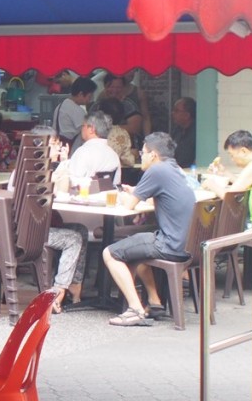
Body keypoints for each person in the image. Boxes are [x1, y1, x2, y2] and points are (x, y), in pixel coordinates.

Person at [103, 132, 195, 327]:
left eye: (143, 153)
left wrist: (121, 195)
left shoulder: (157, 170)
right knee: (136, 245)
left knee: (109, 253)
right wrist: (136, 192)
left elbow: (128, 206)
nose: (140, 157)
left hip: (169, 244)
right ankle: (154, 302)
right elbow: (164, 195)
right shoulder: (175, 169)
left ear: (153, 154)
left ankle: (135, 309)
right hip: (185, 243)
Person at [51, 112, 122, 194]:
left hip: (83, 200)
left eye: (83, 126)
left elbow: (71, 184)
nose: (81, 129)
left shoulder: (82, 152)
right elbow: (117, 184)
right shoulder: (113, 154)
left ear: (91, 129)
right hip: (108, 200)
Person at [52, 75, 97, 144]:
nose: (90, 99)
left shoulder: (61, 105)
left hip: (58, 143)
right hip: (72, 146)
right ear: (81, 94)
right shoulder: (77, 110)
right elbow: (88, 132)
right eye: (89, 96)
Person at [96, 97, 136, 167]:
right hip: (113, 172)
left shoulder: (92, 130)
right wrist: (134, 155)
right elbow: (128, 160)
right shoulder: (122, 133)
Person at [170, 97, 197, 168]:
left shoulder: (197, 133)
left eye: (176, 111)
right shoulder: (177, 130)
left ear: (187, 115)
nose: (172, 113)